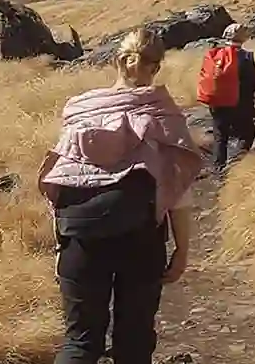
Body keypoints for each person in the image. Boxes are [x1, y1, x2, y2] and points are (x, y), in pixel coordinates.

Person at [38, 27, 204, 364]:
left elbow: (64, 175)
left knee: (80, 343)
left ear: (117, 60)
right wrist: (182, 250)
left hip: (79, 235)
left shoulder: (80, 109)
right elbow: (179, 194)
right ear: (156, 66)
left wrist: (60, 241)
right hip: (140, 238)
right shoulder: (162, 113)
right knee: (134, 341)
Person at [196, 24, 255, 172]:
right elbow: (254, 80)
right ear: (243, 38)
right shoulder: (246, 56)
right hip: (239, 103)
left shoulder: (215, 54)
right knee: (248, 133)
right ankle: (236, 163)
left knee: (220, 137)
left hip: (217, 103)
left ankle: (219, 170)